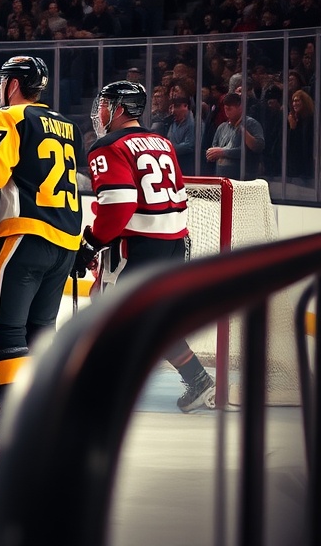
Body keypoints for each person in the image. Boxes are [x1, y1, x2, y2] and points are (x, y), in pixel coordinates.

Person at [75, 81, 214, 411]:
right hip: (176, 241)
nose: (100, 111)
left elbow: (119, 206)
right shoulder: (162, 141)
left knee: (114, 313)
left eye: (105, 104)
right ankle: (198, 379)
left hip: (139, 245)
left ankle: (106, 388)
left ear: (120, 108)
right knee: (149, 317)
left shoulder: (108, 146)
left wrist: (92, 243)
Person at [0, 56, 83, 410]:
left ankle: (15, 417)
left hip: (25, 234)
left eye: (2, 82)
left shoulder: (9, 116)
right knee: (40, 332)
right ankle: (47, 413)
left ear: (14, 84)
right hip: (66, 241)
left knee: (3, 330)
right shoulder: (69, 125)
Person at [206, 92, 264, 177]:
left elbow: (257, 147)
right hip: (221, 176)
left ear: (240, 108)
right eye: (225, 109)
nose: (226, 112)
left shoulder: (251, 124)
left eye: (229, 109)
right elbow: (214, 148)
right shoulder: (221, 127)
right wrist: (211, 154)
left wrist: (223, 152)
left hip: (243, 177)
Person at [166, 96, 196, 176]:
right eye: (172, 107)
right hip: (173, 163)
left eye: (177, 106)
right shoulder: (172, 122)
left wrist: (170, 149)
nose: (173, 110)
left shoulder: (194, 123)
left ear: (186, 106)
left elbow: (190, 145)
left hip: (187, 165)